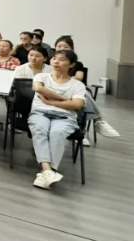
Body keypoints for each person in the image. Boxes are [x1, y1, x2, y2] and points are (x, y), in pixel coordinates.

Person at [28, 49, 86, 189]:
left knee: (57, 133)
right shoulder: (42, 77)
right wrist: (65, 99)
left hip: (65, 117)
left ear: (71, 64)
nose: (56, 62)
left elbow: (77, 104)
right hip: (40, 112)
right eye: (54, 58)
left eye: (62, 59)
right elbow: (39, 89)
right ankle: (48, 170)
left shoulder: (77, 85)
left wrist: (51, 102)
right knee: (39, 129)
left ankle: (47, 172)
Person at [53, 36, 118, 138]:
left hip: (73, 88)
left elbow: (79, 77)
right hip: (55, 89)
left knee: (82, 97)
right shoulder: (52, 61)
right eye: (59, 46)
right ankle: (97, 120)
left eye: (66, 47)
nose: (62, 48)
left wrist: (66, 80)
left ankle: (84, 129)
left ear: (72, 49)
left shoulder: (77, 64)